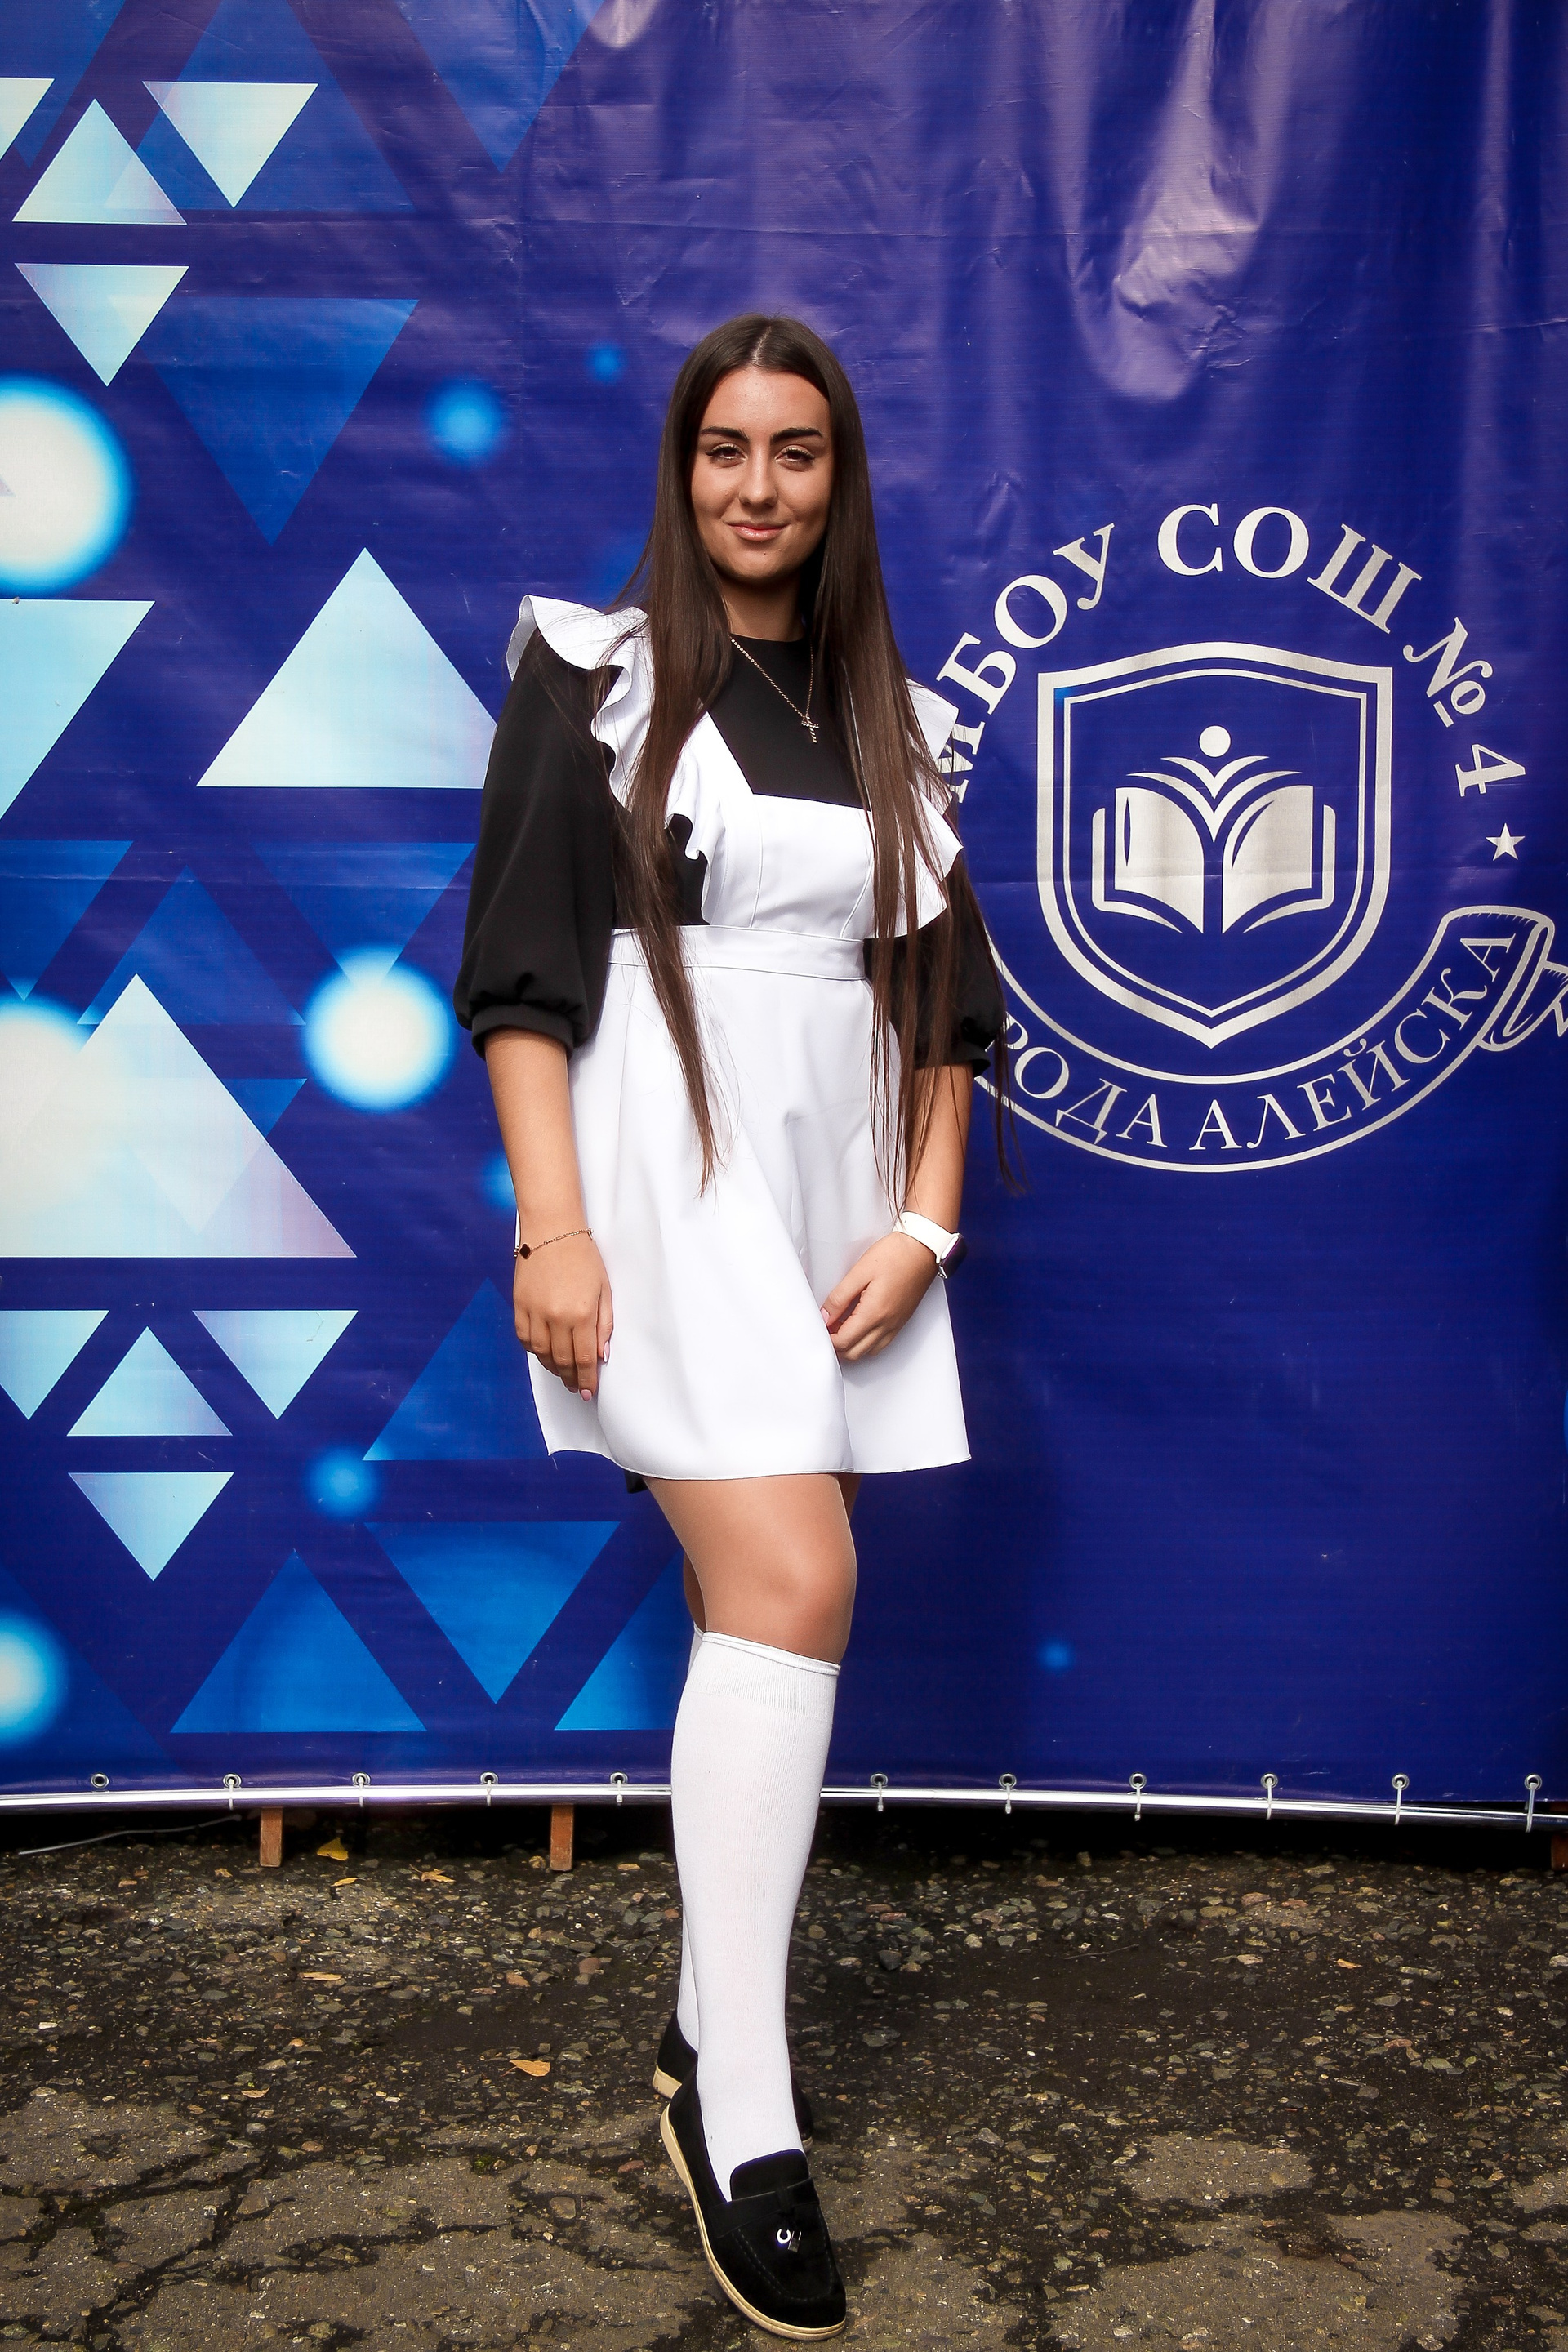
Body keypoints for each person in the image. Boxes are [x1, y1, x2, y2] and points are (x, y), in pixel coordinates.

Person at [455, 313, 1006, 2340]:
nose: (757, 487)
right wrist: (556, 1228)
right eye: (724, 449)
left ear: (838, 481)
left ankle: (700, 2032)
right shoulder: (589, 672)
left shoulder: (898, 720)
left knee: (756, 1599)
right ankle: (743, 2117)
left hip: (826, 1185)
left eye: (796, 452)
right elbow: (521, 971)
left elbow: (941, 1006)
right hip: (653, 1165)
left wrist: (926, 1223)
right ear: (680, 470)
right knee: (796, 1576)